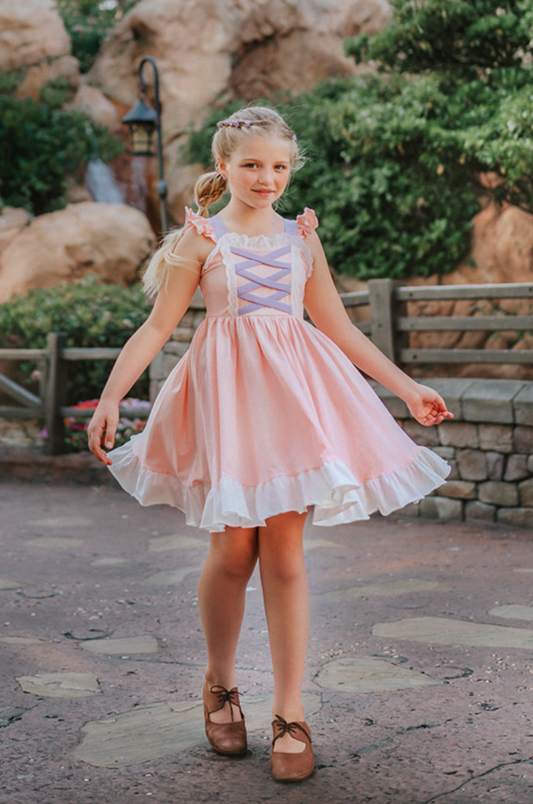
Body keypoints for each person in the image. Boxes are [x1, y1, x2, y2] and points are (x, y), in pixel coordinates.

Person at [88, 106, 452, 783]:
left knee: (283, 550)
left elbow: (338, 327)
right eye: (252, 164)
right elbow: (155, 328)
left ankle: (290, 711)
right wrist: (112, 397)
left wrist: (405, 388)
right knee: (231, 547)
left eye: (279, 166)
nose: (267, 177)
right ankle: (220, 684)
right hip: (227, 407)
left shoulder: (301, 238)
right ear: (223, 166)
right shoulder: (200, 239)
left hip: (291, 406)